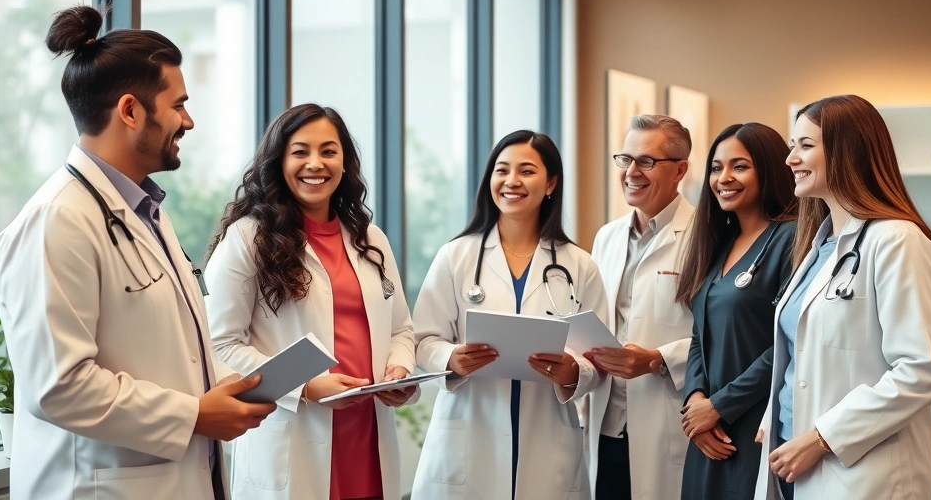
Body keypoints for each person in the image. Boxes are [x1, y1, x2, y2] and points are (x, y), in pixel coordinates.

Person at [0, 5, 276, 500]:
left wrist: (241, 385)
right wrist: (193, 414)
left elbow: (168, 352)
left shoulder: (145, 211)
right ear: (130, 111)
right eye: (179, 104)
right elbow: (59, 387)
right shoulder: (57, 221)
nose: (189, 120)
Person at [204, 103, 416, 500]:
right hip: (292, 439)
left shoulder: (371, 239)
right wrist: (303, 386)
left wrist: (400, 369)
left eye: (329, 151)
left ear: (345, 162)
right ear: (278, 161)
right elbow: (218, 344)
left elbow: (401, 328)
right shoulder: (248, 238)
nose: (315, 163)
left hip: (367, 438)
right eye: (300, 151)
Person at [754, 95, 931, 500]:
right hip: (792, 458)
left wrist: (822, 438)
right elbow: (804, 355)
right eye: (793, 146)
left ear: (848, 152)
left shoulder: (898, 241)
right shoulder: (819, 245)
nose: (791, 158)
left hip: (860, 472)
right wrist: (779, 415)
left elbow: (922, 369)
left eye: (805, 146)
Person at [410, 130, 608, 500]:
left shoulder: (580, 266)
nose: (511, 181)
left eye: (527, 171)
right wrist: (451, 358)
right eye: (502, 170)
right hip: (469, 436)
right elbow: (422, 340)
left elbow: (600, 359)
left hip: (547, 439)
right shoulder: (455, 256)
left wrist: (573, 373)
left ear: (551, 183)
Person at [677, 123, 798, 500]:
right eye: (716, 167)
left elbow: (789, 341)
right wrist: (696, 400)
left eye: (739, 166)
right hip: (706, 430)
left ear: (769, 170)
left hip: (755, 423)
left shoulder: (792, 238)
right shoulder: (719, 239)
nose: (724, 178)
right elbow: (700, 333)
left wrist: (720, 406)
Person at [585, 114, 696, 500]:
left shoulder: (705, 236)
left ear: (680, 170)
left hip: (667, 421)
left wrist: (658, 359)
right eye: (625, 159)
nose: (632, 171)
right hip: (605, 424)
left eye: (646, 161)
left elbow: (719, 335)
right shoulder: (607, 237)